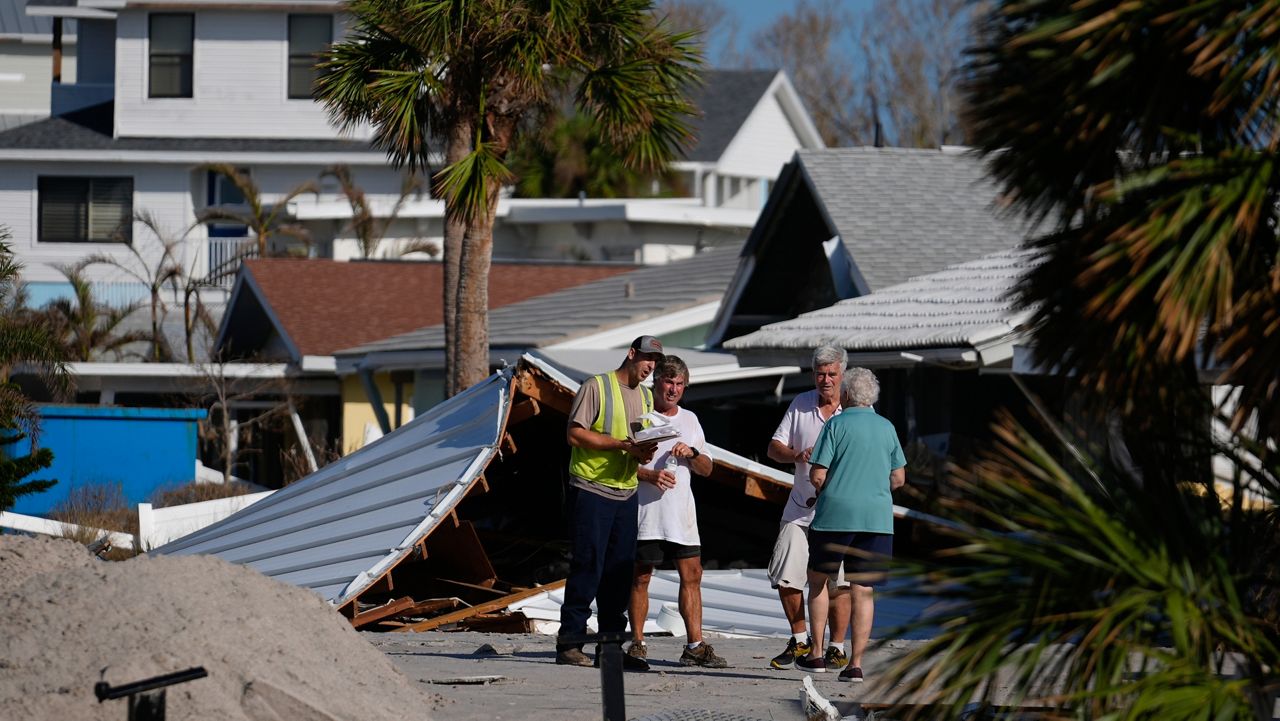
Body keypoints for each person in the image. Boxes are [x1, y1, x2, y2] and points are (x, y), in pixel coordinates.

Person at [556, 335, 664, 671]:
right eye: (647, 359)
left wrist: (646, 450)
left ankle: (611, 649)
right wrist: (621, 445)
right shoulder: (597, 386)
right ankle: (570, 643)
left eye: (655, 362)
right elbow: (574, 434)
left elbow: (639, 441)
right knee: (588, 566)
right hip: (591, 489)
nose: (650, 367)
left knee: (619, 573)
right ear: (631, 354)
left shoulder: (646, 396)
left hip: (626, 490)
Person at [794, 368, 906, 682]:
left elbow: (817, 474)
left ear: (846, 394)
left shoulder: (836, 424)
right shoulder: (887, 427)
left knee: (817, 581)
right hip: (876, 519)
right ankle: (855, 664)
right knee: (863, 589)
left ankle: (816, 654)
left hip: (836, 516)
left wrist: (824, 486)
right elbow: (899, 478)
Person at [626, 355, 727, 668]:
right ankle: (637, 642)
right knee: (641, 577)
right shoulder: (638, 415)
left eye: (679, 384)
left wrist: (692, 453)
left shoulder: (690, 420)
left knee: (692, 575)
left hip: (681, 516)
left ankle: (695, 645)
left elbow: (707, 468)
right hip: (647, 514)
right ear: (656, 383)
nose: (673, 389)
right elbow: (622, 464)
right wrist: (649, 475)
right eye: (668, 382)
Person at [765, 345, 852, 671]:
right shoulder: (801, 403)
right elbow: (774, 448)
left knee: (839, 583)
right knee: (786, 576)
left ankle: (836, 646)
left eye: (831, 374)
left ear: (842, 374)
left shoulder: (855, 408)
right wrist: (798, 454)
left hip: (840, 511)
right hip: (800, 507)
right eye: (820, 373)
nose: (825, 380)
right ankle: (800, 639)